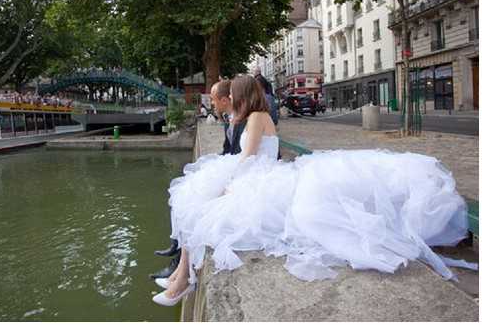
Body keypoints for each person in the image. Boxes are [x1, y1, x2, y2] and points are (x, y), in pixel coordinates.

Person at [151, 74, 471, 306]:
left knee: (204, 208)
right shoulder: (254, 116)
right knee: (194, 203)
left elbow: (247, 158)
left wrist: (226, 185)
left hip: (263, 176)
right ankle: (182, 277)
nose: (230, 98)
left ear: (241, 95)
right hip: (263, 174)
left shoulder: (259, 117)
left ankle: (182, 281)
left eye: (232, 93)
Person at [149, 80, 246, 280]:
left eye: (213, 99)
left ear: (225, 100)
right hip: (231, 166)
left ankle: (178, 264)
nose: (211, 103)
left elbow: (243, 155)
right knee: (184, 188)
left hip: (241, 174)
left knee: (194, 201)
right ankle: (176, 245)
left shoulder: (243, 121)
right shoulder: (230, 117)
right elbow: (227, 150)